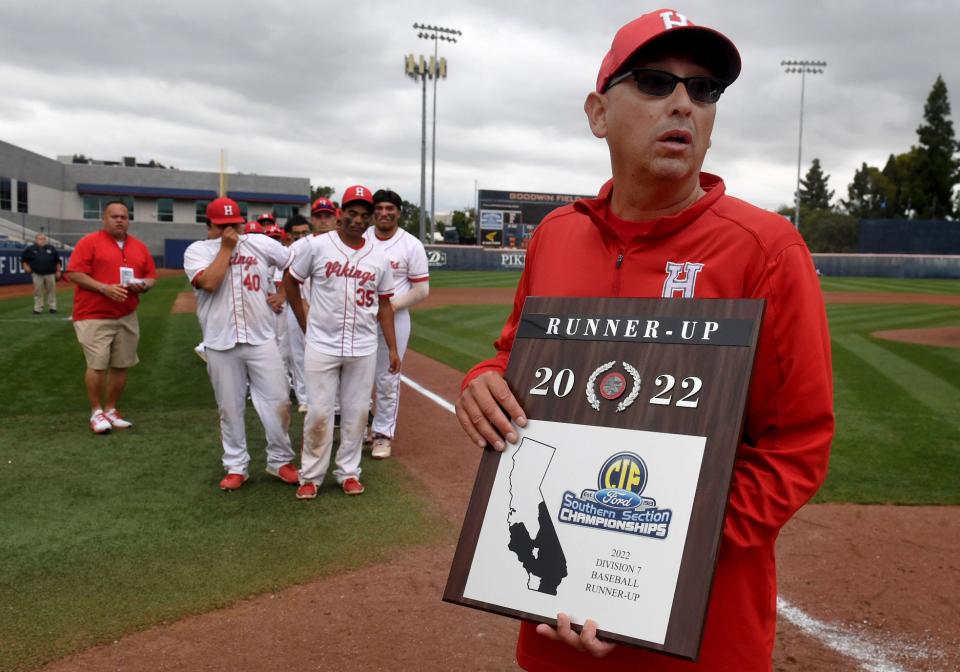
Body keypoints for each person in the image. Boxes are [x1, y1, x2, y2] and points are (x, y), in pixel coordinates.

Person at [454, 9, 834, 671]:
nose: (684, 103)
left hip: (702, 638)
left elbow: (797, 447)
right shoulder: (555, 237)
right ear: (599, 112)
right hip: (554, 623)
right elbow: (516, 361)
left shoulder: (767, 249)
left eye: (705, 90)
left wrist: (656, 566)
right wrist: (481, 381)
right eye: (656, 82)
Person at [283, 185, 401, 500]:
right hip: (322, 342)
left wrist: (391, 346)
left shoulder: (378, 256)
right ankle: (310, 475)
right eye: (352, 213)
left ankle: (348, 472)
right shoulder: (318, 246)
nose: (358, 220)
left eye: (365, 215)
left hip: (363, 346)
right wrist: (303, 319)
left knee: (357, 413)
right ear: (341, 214)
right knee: (320, 413)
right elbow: (290, 280)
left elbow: (385, 304)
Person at [183, 197, 299, 491]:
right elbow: (209, 283)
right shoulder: (197, 251)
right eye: (222, 225)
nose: (230, 229)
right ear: (208, 225)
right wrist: (226, 248)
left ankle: (280, 460)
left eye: (233, 223)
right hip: (220, 341)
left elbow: (294, 266)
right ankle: (236, 466)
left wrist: (283, 294)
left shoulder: (261, 243)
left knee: (279, 401)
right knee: (230, 408)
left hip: (261, 337)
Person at [66, 200, 157, 433]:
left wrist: (143, 285)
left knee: (121, 364)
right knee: (97, 365)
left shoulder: (138, 246)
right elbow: (74, 273)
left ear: (128, 220)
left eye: (124, 217)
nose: (119, 220)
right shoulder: (89, 242)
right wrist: (104, 288)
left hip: (126, 314)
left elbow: (150, 276)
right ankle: (96, 412)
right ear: (104, 219)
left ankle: (111, 409)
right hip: (94, 314)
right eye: (114, 216)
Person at [363, 189, 430, 459]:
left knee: (388, 376)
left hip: (396, 317)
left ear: (398, 212)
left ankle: (382, 434)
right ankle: (361, 426)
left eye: (389, 208)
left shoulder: (411, 244)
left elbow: (421, 289)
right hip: (361, 317)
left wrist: (390, 307)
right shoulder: (362, 238)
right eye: (378, 208)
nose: (384, 213)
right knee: (356, 376)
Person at [282, 214, 312, 412]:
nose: (301, 237)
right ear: (288, 236)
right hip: (293, 307)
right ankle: (303, 398)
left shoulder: (317, 248)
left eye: (304, 233)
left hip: (318, 307)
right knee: (297, 354)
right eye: (296, 234)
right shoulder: (285, 254)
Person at [21, 232, 61, 314]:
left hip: (50, 273)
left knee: (51, 291)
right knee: (38, 291)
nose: (43, 240)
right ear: (36, 240)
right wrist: (25, 266)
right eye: (40, 239)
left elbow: (57, 260)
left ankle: (52, 307)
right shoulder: (30, 249)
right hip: (37, 273)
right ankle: (38, 308)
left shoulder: (51, 248)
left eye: (44, 239)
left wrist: (58, 271)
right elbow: (23, 259)